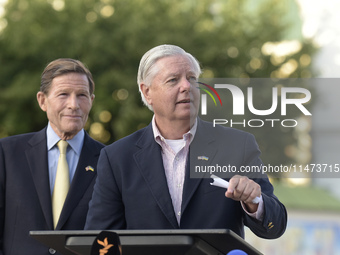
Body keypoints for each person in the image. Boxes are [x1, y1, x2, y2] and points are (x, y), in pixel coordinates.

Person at [85, 45, 287, 239]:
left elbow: (275, 226)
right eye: (173, 80)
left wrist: (254, 203)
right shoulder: (117, 157)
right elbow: (101, 239)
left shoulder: (237, 144)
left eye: (192, 78)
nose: (187, 86)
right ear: (147, 92)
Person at [0, 58, 105, 255]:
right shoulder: (6, 154)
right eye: (63, 94)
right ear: (42, 101)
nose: (73, 104)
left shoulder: (110, 160)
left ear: (91, 101)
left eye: (81, 95)